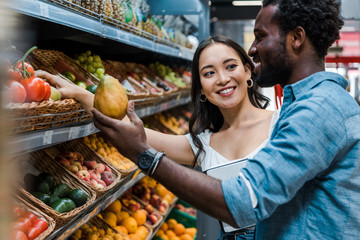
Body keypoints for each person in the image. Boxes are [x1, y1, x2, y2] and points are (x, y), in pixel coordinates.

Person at [90, 0, 360, 239]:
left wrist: (144, 155)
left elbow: (243, 201)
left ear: (296, 38)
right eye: (208, 73)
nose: (252, 50)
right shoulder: (302, 107)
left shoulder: (318, 110)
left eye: (260, 36)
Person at [36, 35, 279, 239]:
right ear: (202, 88)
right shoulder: (202, 144)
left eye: (230, 66)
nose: (223, 79)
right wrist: (78, 92)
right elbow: (125, 125)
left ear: (248, 71)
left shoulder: (281, 124)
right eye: (209, 73)